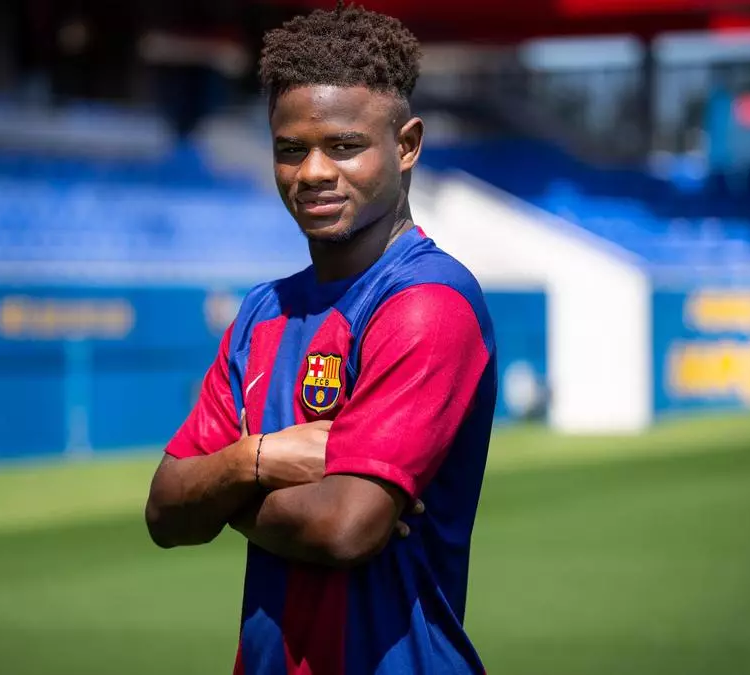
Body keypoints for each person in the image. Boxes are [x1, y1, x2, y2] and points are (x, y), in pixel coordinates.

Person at [144, 3, 497, 673]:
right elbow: (165, 510)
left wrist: (225, 500)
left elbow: (345, 527)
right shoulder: (262, 311)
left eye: (343, 146)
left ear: (406, 145)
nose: (311, 172)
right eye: (290, 149)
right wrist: (254, 459)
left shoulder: (428, 302)